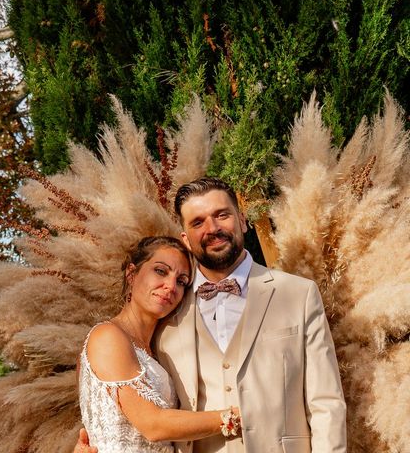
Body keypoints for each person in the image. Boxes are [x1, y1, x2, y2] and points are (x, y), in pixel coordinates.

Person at [76, 177, 346, 453]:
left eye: (222, 215)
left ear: (242, 221)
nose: (212, 228)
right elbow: (131, 409)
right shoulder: (168, 313)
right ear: (186, 238)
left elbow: (326, 403)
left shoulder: (298, 294)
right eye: (197, 222)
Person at [78, 236, 243, 453]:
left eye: (181, 281)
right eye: (161, 271)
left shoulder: (157, 349)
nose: (170, 286)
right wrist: (238, 416)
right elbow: (152, 424)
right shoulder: (107, 336)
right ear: (131, 274)